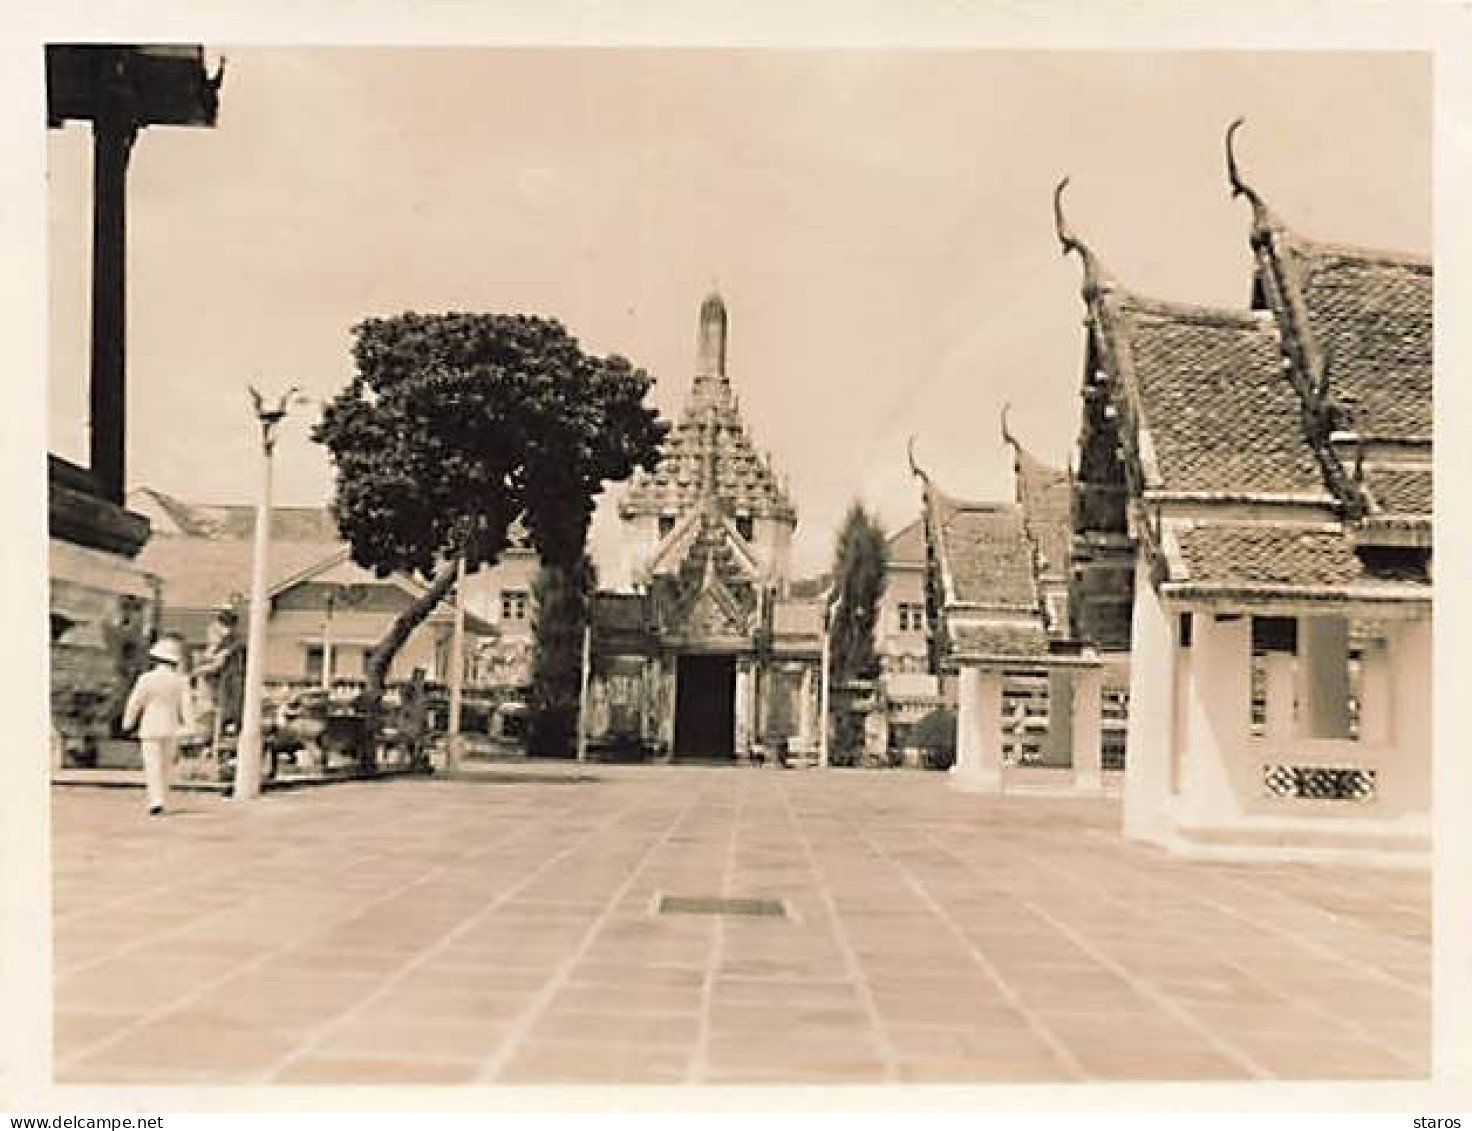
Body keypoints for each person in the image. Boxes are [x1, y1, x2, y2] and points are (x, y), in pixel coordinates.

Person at [122, 636, 196, 816]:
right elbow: (186, 706)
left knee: (152, 765)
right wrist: (190, 726)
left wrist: (128, 722)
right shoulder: (180, 681)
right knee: (166, 765)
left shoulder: (146, 679)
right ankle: (163, 798)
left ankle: (156, 800)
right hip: (171, 728)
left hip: (149, 728)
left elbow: (135, 702)